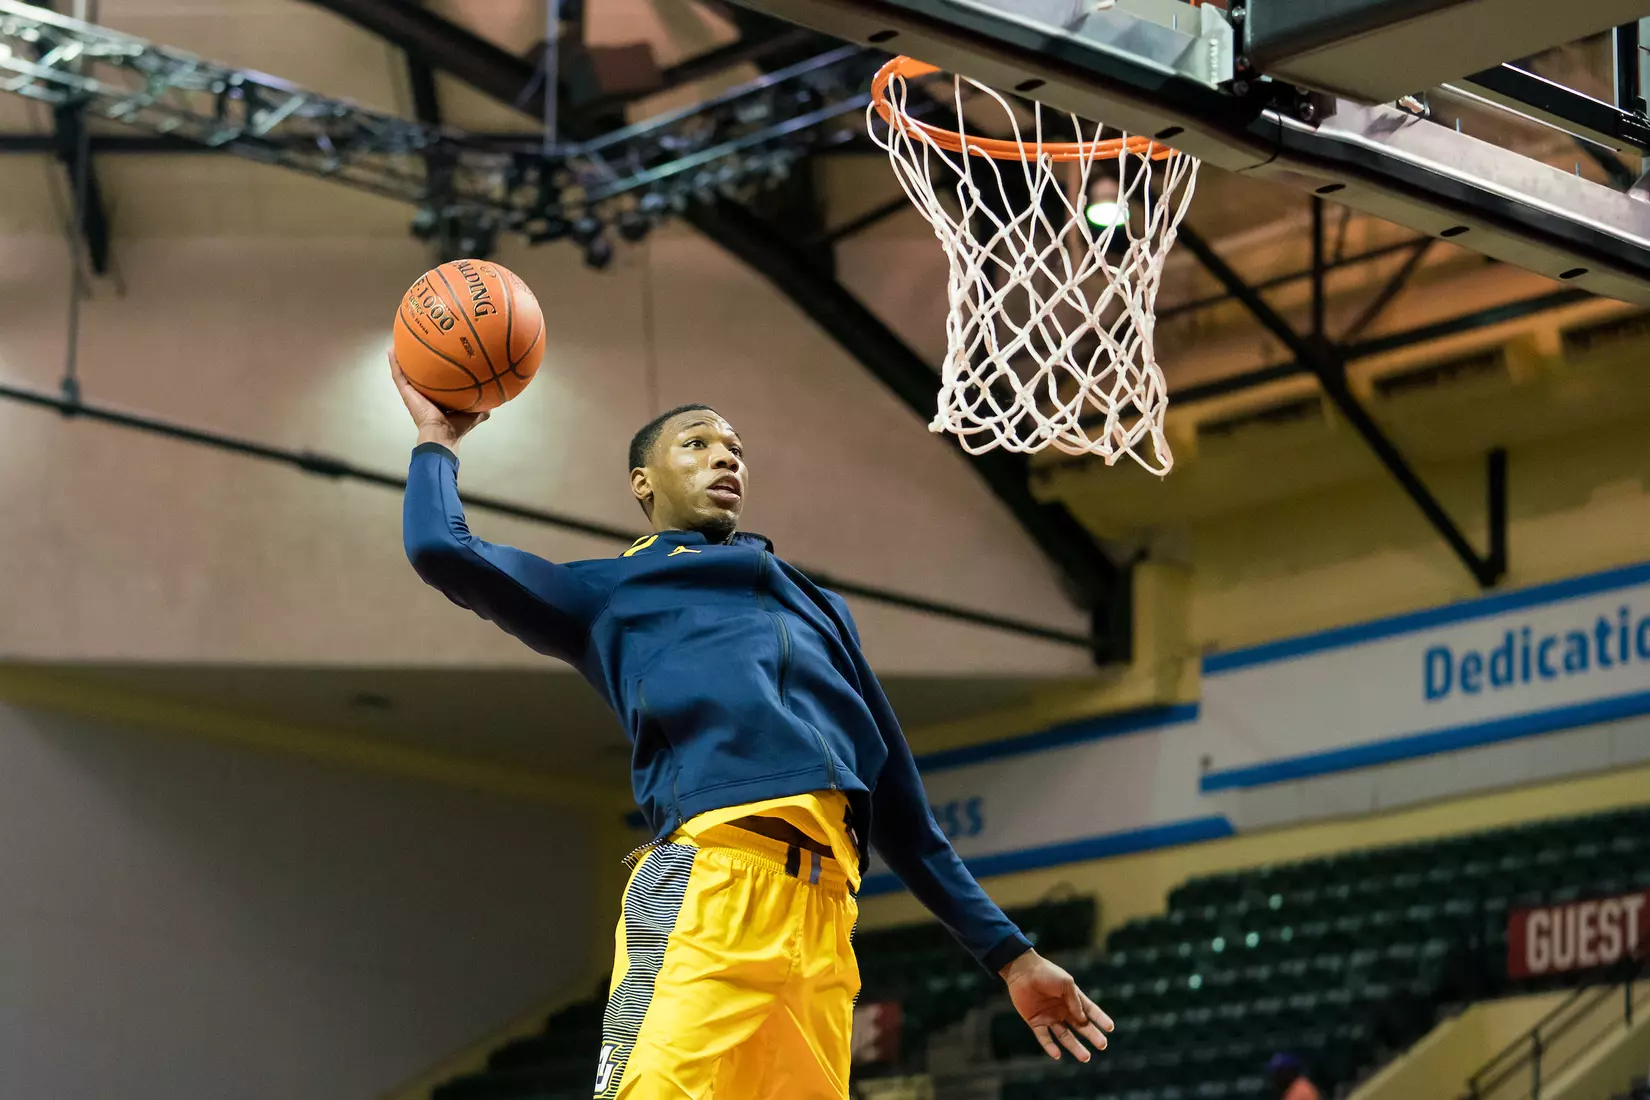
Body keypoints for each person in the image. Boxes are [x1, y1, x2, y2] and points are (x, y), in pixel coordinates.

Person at [392, 355, 1113, 1100]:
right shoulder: (608, 594)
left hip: (826, 917)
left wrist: (1014, 957)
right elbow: (444, 550)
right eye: (696, 444)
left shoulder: (821, 608)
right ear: (643, 481)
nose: (724, 455)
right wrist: (436, 440)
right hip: (705, 885)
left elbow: (902, 812)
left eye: (734, 447)